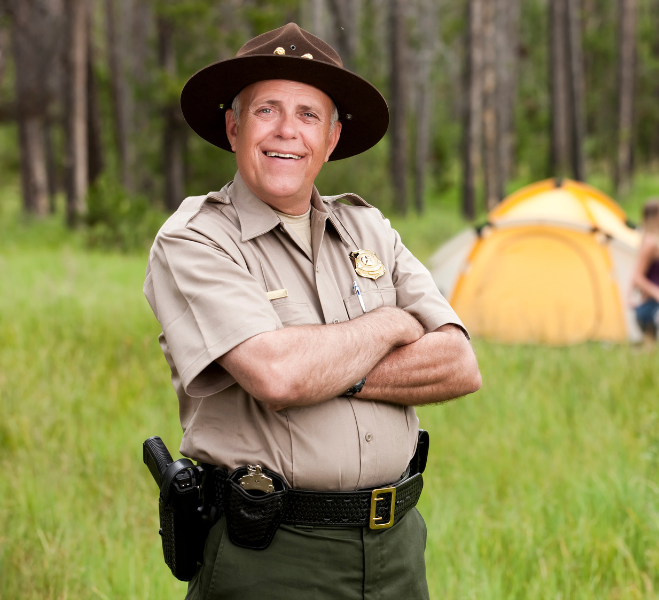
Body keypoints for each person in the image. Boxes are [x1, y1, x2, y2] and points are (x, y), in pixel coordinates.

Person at [142, 24, 482, 599]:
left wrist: (324, 368)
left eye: (307, 114)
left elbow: (458, 364)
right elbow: (278, 374)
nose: (286, 131)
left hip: (396, 546)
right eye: (266, 110)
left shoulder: (368, 228)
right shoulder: (197, 239)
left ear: (331, 136)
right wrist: (393, 324)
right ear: (233, 126)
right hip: (271, 553)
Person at [632, 198, 659, 347]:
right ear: (656, 216)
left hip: (654, 306)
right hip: (652, 308)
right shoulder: (651, 243)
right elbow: (636, 277)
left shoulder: (654, 241)